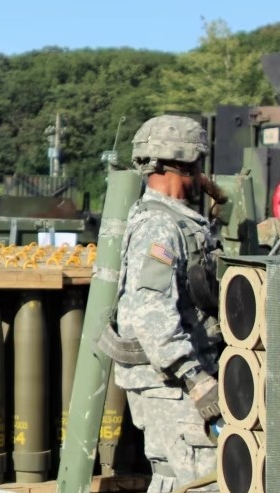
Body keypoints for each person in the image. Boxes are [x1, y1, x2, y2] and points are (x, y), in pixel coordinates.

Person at [103, 115, 222, 493]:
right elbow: (149, 313)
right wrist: (195, 378)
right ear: (184, 163)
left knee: (176, 477)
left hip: (172, 380)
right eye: (199, 162)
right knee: (199, 481)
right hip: (173, 384)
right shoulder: (161, 225)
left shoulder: (172, 220)